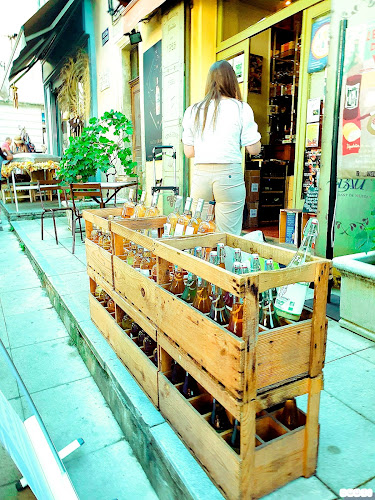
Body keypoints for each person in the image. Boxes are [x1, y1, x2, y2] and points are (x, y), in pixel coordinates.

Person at [182, 60, 261, 235]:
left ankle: (199, 262)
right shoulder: (241, 108)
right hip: (229, 175)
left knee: (198, 233)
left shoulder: (193, 110)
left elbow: (189, 152)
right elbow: (253, 149)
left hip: (201, 175)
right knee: (228, 236)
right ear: (232, 81)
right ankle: (226, 262)